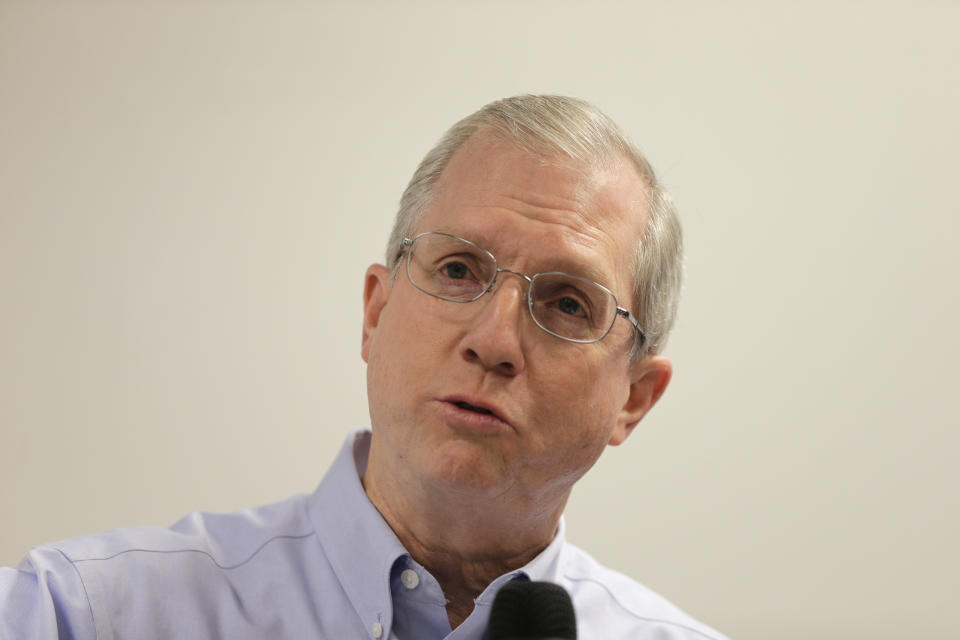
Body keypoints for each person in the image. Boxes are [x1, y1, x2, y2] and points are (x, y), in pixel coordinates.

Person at [0, 95, 727, 639]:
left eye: (567, 304)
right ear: (375, 313)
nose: (494, 339)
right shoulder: (84, 614)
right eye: (458, 268)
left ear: (633, 398)